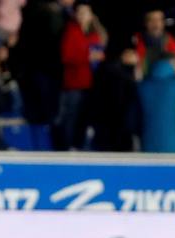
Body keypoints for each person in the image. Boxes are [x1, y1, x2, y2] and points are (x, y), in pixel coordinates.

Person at [57, 0, 107, 149]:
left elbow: (100, 52)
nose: (82, 15)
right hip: (74, 85)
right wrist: (87, 57)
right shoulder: (71, 30)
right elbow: (66, 55)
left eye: (85, 12)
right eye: (79, 12)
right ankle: (68, 148)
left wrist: (98, 57)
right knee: (71, 119)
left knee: (84, 120)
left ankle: (80, 146)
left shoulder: (95, 33)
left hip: (91, 85)